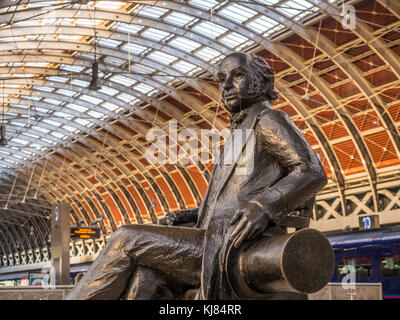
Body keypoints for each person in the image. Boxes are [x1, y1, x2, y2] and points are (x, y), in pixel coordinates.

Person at [64, 52, 327, 300]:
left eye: (237, 75)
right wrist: (186, 216)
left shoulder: (269, 119)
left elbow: (311, 170)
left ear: (260, 81)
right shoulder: (241, 132)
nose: (226, 85)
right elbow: (225, 202)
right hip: (211, 235)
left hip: (230, 242)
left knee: (125, 237)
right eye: (222, 79)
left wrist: (263, 206)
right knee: (148, 276)